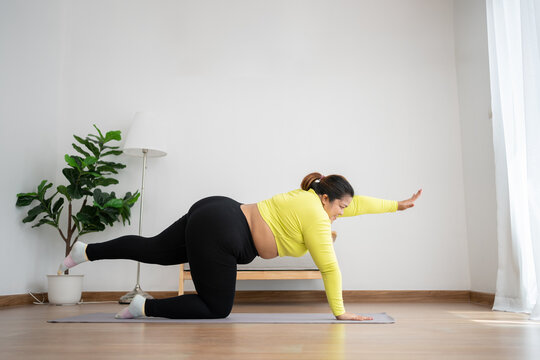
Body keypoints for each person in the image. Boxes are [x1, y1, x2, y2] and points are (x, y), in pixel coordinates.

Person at [58, 172, 422, 321]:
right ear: (326, 199)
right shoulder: (316, 216)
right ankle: (144, 307)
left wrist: (396, 205)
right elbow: (330, 267)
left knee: (154, 250)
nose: (343, 213)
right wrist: (340, 312)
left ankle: (86, 251)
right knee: (217, 307)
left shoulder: (312, 197)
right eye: (340, 208)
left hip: (219, 209)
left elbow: (358, 203)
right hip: (224, 232)